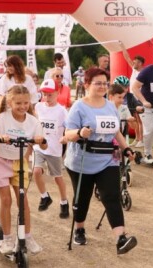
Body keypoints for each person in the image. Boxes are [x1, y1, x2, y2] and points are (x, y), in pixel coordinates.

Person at [64, 67, 137, 255]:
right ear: (87, 84)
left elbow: (116, 131)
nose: (102, 86)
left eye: (105, 83)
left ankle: (121, 238)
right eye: (98, 83)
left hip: (106, 159)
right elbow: (67, 134)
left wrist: (126, 148)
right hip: (81, 160)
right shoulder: (79, 107)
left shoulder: (110, 105)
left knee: (111, 196)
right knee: (83, 197)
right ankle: (79, 228)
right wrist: (80, 133)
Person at [0, 85, 46, 255]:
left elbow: (43, 143)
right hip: (0, 161)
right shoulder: (2, 119)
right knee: (6, 200)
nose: (22, 106)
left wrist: (40, 140)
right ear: (10, 102)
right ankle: (7, 238)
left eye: (26, 103)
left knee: (22, 201)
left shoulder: (33, 122)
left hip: (19, 162)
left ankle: (27, 236)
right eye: (18, 103)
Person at [33, 79, 69, 217]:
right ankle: (44, 196)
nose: (47, 97)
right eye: (44, 94)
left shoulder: (62, 111)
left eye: (50, 94)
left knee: (57, 178)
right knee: (36, 172)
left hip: (54, 149)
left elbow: (69, 126)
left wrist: (66, 136)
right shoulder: (38, 107)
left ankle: (64, 201)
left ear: (57, 93)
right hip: (40, 147)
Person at [113, 76, 143, 144]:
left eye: (126, 87)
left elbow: (137, 103)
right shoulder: (107, 104)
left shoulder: (126, 105)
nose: (124, 89)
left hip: (124, 121)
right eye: (119, 97)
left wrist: (138, 107)